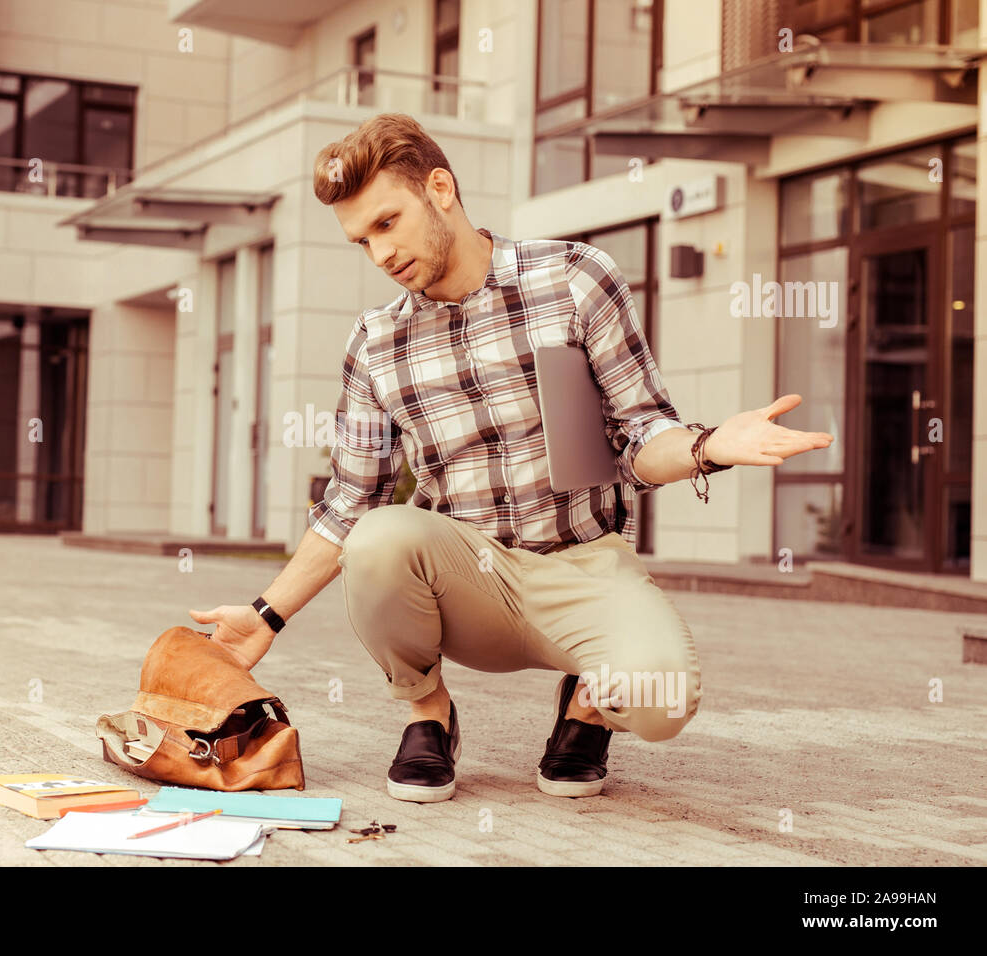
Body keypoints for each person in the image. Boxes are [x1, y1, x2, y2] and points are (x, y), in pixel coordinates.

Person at [189, 112, 833, 803]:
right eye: (361, 240)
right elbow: (351, 503)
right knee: (378, 537)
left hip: (582, 567)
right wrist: (267, 615)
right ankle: (428, 714)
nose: (380, 254)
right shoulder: (377, 343)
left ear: (440, 188)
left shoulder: (574, 281)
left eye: (387, 222)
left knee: (663, 698)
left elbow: (642, 437)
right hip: (467, 579)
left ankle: (586, 705)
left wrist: (709, 447)